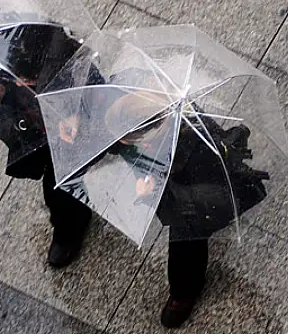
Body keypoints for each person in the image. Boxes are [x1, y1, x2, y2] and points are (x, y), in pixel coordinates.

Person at [103, 89, 269, 328]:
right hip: (177, 174)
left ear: (146, 137)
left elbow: (180, 207)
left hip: (204, 196)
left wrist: (149, 195)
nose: (120, 144)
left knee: (186, 240)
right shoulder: (153, 112)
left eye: (125, 139)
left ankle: (184, 293)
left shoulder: (193, 151)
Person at [0, 13, 104, 268]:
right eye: (15, 79)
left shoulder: (71, 58)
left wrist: (75, 114)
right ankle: (68, 224)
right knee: (55, 187)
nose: (20, 83)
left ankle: (71, 223)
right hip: (38, 138)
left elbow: (97, 90)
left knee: (65, 181)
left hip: (74, 138)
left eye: (25, 80)